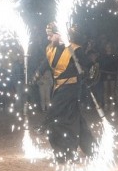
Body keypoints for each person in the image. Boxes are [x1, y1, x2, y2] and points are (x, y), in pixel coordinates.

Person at [36, 22, 95, 162]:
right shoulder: (51, 49)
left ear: (59, 34)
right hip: (57, 88)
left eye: (50, 36)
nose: (48, 38)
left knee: (57, 119)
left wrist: (88, 74)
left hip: (71, 89)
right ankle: (92, 149)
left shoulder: (75, 49)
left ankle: (65, 153)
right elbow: (46, 63)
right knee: (75, 119)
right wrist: (37, 73)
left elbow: (90, 66)